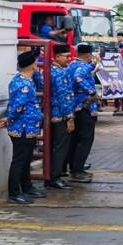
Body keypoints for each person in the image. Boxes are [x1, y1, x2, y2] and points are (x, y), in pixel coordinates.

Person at [0, 51, 47, 204]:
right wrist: (9, 118)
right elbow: (18, 106)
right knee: (19, 161)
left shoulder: (25, 80)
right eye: (35, 62)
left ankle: (27, 187)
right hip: (22, 128)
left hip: (29, 127)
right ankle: (14, 193)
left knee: (26, 159)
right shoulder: (23, 84)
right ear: (32, 64)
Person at [66, 43, 99, 183]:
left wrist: (94, 65)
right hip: (85, 106)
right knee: (86, 139)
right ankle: (77, 171)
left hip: (75, 107)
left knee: (76, 139)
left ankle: (75, 165)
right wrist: (92, 91)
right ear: (88, 55)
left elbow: (80, 72)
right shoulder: (83, 67)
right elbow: (78, 78)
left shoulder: (72, 64)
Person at [46, 43, 75, 190]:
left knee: (55, 147)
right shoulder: (60, 73)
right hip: (60, 115)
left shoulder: (52, 70)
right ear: (57, 57)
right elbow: (64, 96)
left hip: (54, 113)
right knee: (60, 148)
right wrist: (69, 116)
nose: (69, 59)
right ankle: (54, 177)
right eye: (67, 56)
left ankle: (50, 175)